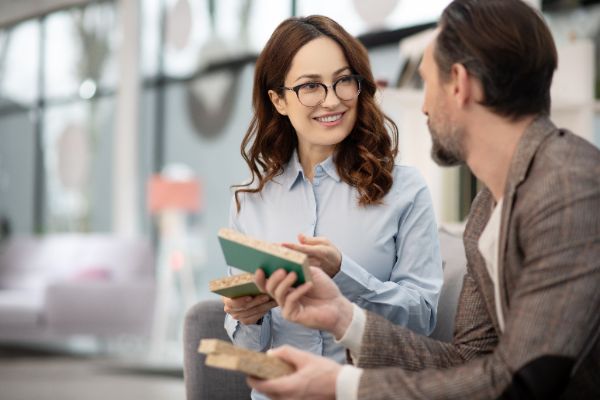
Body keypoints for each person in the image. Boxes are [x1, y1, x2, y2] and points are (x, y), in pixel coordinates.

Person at [248, 0, 600, 399]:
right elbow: (469, 364)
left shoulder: (569, 186)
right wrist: (346, 318)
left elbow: (522, 383)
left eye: (426, 83)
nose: (424, 106)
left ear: (459, 84)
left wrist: (342, 385)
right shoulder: (488, 210)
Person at [222, 15, 443, 400]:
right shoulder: (249, 200)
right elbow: (247, 353)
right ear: (278, 100)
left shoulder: (405, 190)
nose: (332, 99)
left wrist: (342, 273)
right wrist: (248, 316)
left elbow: (422, 320)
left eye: (343, 80)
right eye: (310, 86)